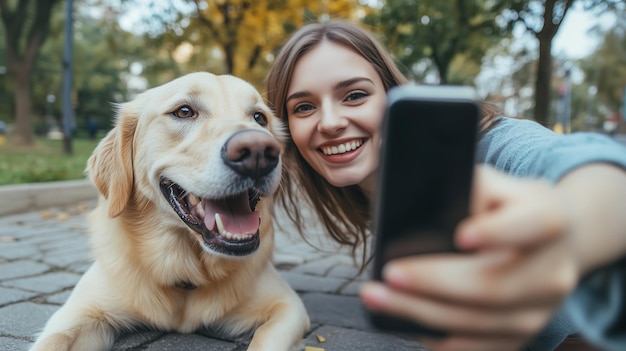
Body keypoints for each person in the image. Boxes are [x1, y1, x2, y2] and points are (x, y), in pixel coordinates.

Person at [265, 20, 626, 351]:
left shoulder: (489, 146)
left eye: (355, 95)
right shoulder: (367, 186)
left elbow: (593, 176)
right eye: (304, 107)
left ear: (392, 97)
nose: (329, 122)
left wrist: (568, 235)